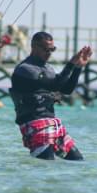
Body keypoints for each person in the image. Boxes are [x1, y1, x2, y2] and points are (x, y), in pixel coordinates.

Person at [10, 31, 92, 160]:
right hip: (35, 124)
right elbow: (55, 85)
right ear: (34, 47)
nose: (49, 53)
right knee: (46, 168)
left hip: (54, 124)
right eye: (45, 49)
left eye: (52, 49)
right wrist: (70, 64)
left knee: (78, 161)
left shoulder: (48, 68)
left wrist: (78, 67)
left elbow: (67, 89)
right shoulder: (25, 69)